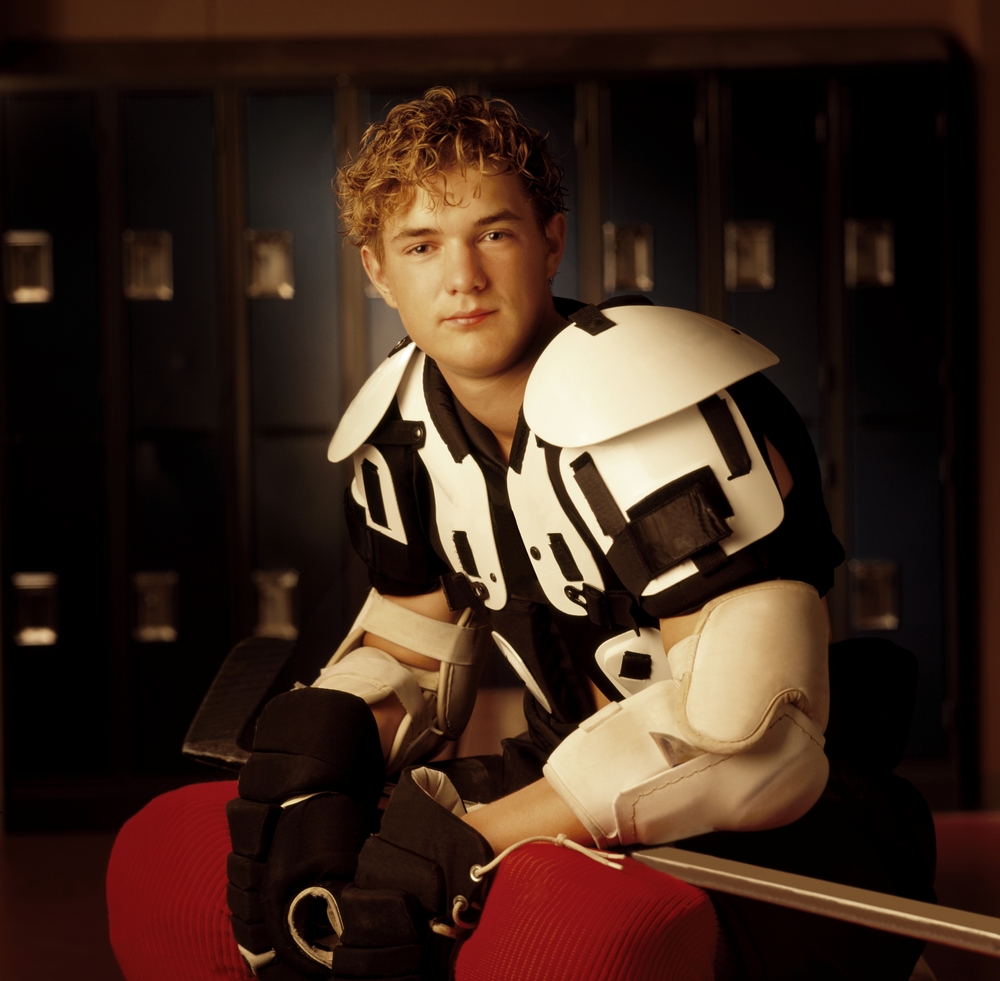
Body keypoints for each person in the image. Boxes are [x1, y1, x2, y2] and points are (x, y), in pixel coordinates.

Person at [110, 87, 936, 981]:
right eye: (422, 246)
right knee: (182, 862)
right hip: (558, 780)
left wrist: (466, 838)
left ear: (552, 238)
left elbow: (753, 743)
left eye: (493, 234)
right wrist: (324, 753)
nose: (461, 278)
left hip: (769, 828)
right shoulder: (403, 423)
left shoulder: (652, 397)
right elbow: (413, 639)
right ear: (378, 271)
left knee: (554, 942)